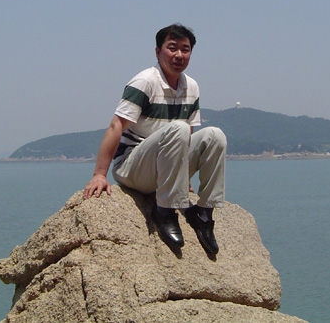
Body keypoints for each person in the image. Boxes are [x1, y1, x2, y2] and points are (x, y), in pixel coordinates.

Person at [83, 24, 226, 254]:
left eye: (185, 49)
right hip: (133, 167)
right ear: (158, 52)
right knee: (178, 127)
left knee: (215, 135)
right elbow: (116, 126)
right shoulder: (145, 81)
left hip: (163, 166)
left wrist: (183, 176)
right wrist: (99, 175)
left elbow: (188, 135)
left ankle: (204, 213)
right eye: (172, 48)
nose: (179, 55)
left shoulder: (191, 87)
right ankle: (165, 211)